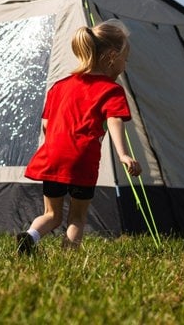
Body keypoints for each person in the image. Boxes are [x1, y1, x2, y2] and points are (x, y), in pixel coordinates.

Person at [17, 20, 141, 254]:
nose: (125, 65)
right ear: (112, 57)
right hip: (82, 159)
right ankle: (67, 258)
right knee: (77, 217)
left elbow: (45, 124)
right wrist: (123, 154)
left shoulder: (59, 86)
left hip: (53, 156)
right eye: (126, 59)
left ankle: (31, 236)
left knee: (51, 214)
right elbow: (114, 120)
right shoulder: (111, 90)